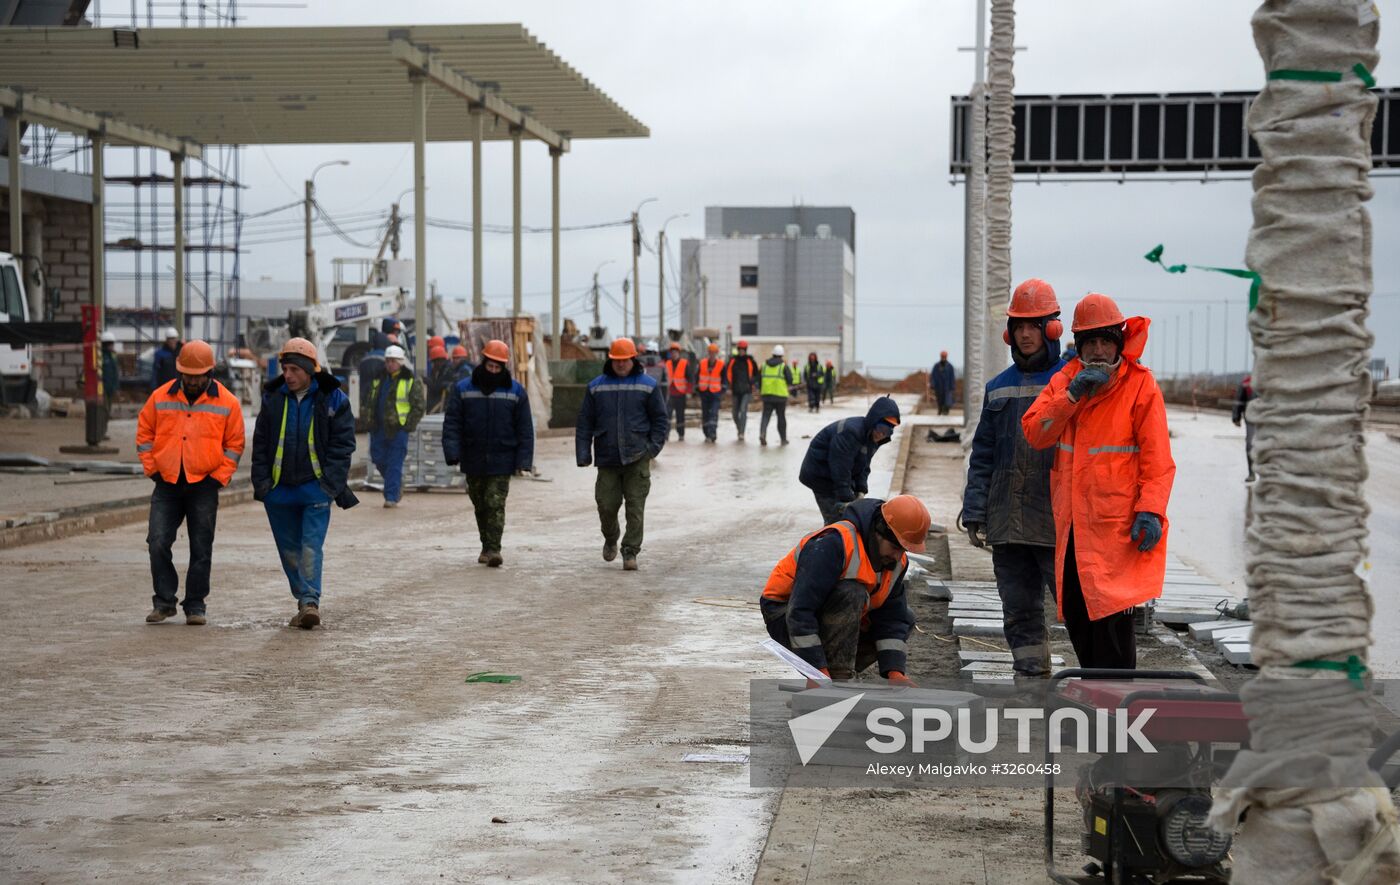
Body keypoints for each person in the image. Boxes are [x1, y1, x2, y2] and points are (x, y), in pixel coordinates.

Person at [1022, 293, 1175, 670]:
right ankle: (1096, 699)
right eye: (1091, 342)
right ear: (1079, 345)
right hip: (1074, 526)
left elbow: (1158, 459)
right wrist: (1072, 397)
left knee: (1111, 622)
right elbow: (1035, 431)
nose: (1099, 350)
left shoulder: (1140, 386)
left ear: (1118, 344)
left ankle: (1116, 709)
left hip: (1116, 530)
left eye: (1106, 341)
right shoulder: (1066, 381)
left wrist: (1151, 510)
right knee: (1076, 613)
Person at [961, 278, 1066, 680]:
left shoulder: (1069, 382)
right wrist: (975, 510)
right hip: (1007, 522)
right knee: (1018, 608)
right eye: (1019, 326)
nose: (1025, 334)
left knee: (1073, 607)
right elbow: (983, 454)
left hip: (1055, 522)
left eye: (1033, 325)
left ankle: (1095, 682)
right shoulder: (998, 388)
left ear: (1051, 329)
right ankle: (1031, 676)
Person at [760, 495, 930, 684]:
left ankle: (837, 674)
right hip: (784, 614)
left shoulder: (897, 562)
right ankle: (834, 675)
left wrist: (895, 672)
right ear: (879, 531)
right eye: (895, 547)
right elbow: (800, 612)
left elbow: (891, 617)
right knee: (852, 592)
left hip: (827, 615)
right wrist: (816, 671)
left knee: (906, 617)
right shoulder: (834, 543)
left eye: (904, 550)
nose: (898, 556)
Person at [251, 338, 358, 629]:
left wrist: (330, 484)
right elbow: (260, 443)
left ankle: (310, 601)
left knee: (311, 546)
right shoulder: (273, 399)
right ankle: (303, 599)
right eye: (285, 369)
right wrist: (262, 485)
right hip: (279, 491)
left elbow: (343, 444)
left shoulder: (334, 399)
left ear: (309, 370)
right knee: (289, 551)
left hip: (316, 490)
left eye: (294, 369)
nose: (287, 375)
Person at [136, 339, 244, 626]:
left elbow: (235, 445)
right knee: (157, 542)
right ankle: (164, 601)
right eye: (188, 375)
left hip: (204, 485)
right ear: (180, 371)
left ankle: (195, 604)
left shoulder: (227, 403)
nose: (193, 381)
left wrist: (218, 478)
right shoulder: (160, 397)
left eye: (198, 376)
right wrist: (153, 469)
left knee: (201, 547)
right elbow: (145, 433)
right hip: (167, 482)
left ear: (209, 373)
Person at [576, 337, 669, 571]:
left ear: (632, 360)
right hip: (607, 458)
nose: (620, 365)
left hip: (637, 457)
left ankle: (630, 552)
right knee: (606, 505)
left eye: (624, 360)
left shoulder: (647, 385)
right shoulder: (596, 386)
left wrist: (652, 449)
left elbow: (660, 420)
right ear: (610, 360)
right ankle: (611, 537)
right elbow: (585, 422)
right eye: (616, 360)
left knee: (635, 508)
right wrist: (583, 453)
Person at [442, 339, 534, 568]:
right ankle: (485, 545)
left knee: (495, 503)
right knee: (480, 504)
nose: (493, 371)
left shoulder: (515, 391)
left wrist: (524, 461)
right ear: (483, 363)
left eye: (497, 367)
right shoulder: (463, 389)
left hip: (502, 458)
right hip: (472, 456)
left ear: (503, 367)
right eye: (490, 366)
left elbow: (525, 429)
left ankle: (494, 549)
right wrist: (452, 452)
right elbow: (452, 422)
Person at [799, 396, 901, 525]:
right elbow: (840, 467)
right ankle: (829, 541)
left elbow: (864, 465)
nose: (883, 434)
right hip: (820, 474)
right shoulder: (850, 433)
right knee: (837, 519)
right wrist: (847, 498)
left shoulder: (873, 437)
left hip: (835, 474)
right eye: (881, 428)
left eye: (888, 431)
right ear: (873, 421)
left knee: (848, 516)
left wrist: (861, 490)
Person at [359, 344, 424, 508]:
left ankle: (391, 497)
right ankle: (395, 484)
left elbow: (418, 406)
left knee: (395, 463)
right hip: (378, 428)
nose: (389, 364)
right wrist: (367, 419)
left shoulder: (409, 380)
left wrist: (408, 426)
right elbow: (368, 400)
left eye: (393, 361)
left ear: (401, 362)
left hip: (398, 430)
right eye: (387, 361)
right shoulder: (378, 379)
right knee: (378, 459)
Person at [759, 344, 794, 446]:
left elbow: (759, 379)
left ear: (773, 354)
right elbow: (790, 380)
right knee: (781, 417)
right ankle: (783, 439)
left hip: (767, 395)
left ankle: (762, 433)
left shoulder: (764, 365)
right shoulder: (783, 366)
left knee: (765, 416)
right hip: (780, 396)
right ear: (781, 355)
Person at [726, 339, 760, 441]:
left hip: (746, 390)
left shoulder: (750, 361)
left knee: (743, 410)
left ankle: (741, 433)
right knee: (734, 413)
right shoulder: (732, 361)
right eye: (740, 349)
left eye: (743, 349)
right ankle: (739, 428)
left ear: (745, 350)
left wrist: (752, 382)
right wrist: (729, 387)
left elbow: (757, 375)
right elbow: (728, 374)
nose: (741, 351)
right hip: (735, 390)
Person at [663, 341, 694, 441]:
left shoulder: (684, 363)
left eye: (675, 352)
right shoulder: (667, 363)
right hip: (670, 394)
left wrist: (689, 391)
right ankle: (666, 435)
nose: (673, 354)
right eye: (672, 352)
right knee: (667, 415)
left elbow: (690, 378)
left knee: (680, 416)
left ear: (678, 353)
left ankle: (681, 435)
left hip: (681, 394)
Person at [695, 343, 725, 443]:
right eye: (710, 352)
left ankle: (712, 433)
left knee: (713, 413)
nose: (712, 354)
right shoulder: (702, 363)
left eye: (714, 353)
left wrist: (723, 389)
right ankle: (706, 433)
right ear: (708, 353)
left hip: (715, 393)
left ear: (716, 353)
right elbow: (697, 376)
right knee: (705, 414)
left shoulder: (721, 364)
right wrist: (696, 388)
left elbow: (724, 379)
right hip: (704, 392)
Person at [1232, 374, 1257, 482]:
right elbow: (1239, 400)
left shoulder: (1271, 380)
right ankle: (1251, 473)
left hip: (1269, 420)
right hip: (1251, 418)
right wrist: (1236, 417)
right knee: (1250, 445)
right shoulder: (1247, 382)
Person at [423, 344, 453, 413]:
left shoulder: (447, 371)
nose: (433, 365)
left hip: (445, 406)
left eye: (433, 362)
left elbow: (437, 387)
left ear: (438, 361)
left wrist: (428, 381)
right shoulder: (440, 370)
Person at [150, 326, 181, 391]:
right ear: (167, 340)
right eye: (170, 339)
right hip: (165, 387)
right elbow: (155, 372)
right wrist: (154, 388)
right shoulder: (160, 354)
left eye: (174, 338)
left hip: (179, 387)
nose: (172, 341)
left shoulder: (182, 353)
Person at [929, 350, 956, 415]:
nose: (943, 357)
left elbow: (952, 377)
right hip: (938, 387)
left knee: (947, 401)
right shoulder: (936, 366)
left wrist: (952, 386)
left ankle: (946, 411)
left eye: (944, 356)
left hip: (947, 387)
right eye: (942, 356)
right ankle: (940, 410)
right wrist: (932, 384)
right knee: (939, 400)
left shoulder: (950, 366)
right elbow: (933, 375)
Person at [101, 330, 120, 415]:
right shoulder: (101, 356)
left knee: (109, 403)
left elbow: (115, 371)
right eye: (110, 344)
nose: (112, 346)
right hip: (103, 386)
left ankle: (107, 415)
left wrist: (116, 386)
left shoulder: (113, 355)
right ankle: (105, 416)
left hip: (111, 385)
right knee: (104, 405)